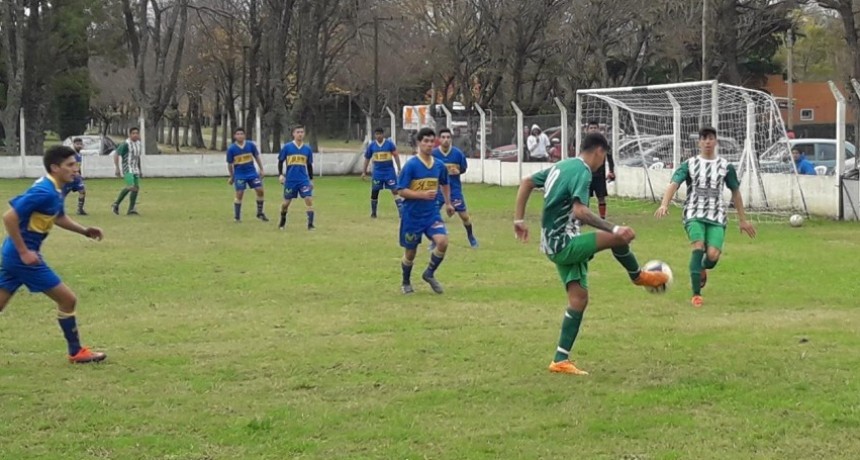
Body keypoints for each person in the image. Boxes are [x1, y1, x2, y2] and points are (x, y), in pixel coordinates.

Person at [514, 132, 669, 376]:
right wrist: (614, 227)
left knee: (579, 299)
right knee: (618, 238)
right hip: (564, 243)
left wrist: (519, 220)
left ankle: (560, 360)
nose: (602, 163)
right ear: (599, 151)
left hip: (553, 244)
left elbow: (526, 182)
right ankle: (639, 276)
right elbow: (580, 211)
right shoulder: (583, 171)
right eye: (604, 157)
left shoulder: (562, 165)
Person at [0, 145, 107, 363]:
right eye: (70, 165)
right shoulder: (44, 191)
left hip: (16, 256)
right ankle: (76, 352)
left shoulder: (56, 189)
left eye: (76, 164)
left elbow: (57, 217)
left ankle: (76, 351)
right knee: (68, 299)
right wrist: (24, 252)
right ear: (55, 167)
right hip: (23, 258)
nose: (75, 169)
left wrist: (84, 231)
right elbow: (9, 217)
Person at [655, 127, 757, 308]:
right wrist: (664, 204)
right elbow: (674, 184)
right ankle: (696, 294)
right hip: (694, 213)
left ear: (715, 141)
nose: (708, 142)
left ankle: (703, 266)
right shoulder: (690, 164)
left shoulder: (725, 166)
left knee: (712, 255)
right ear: (699, 142)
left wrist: (742, 220)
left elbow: (736, 192)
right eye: (704, 139)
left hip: (716, 215)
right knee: (698, 246)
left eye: (711, 138)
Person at [397, 127, 455, 295]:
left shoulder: (439, 165)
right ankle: (406, 281)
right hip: (412, 216)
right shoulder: (411, 166)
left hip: (431, 214)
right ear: (419, 143)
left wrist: (449, 203)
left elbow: (445, 183)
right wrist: (421, 194)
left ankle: (429, 273)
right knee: (410, 252)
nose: (429, 145)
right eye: (426, 141)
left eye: (432, 141)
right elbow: (401, 191)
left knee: (442, 242)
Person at [432, 128, 478, 248]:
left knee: (464, 216)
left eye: (448, 137)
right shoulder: (434, 154)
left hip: (455, 189)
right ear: (439, 139)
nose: (446, 140)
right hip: (438, 190)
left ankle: (471, 237)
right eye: (443, 137)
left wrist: (458, 171)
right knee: (433, 215)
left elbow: (463, 168)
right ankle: (434, 240)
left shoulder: (458, 154)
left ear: (451, 139)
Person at [226, 127, 269, 222]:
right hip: (240, 175)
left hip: (252, 173)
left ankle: (260, 213)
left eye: (242, 134)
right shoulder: (231, 149)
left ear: (244, 135)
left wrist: (261, 169)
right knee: (240, 193)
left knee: (260, 190)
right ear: (234, 136)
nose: (240, 136)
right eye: (238, 134)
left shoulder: (250, 145)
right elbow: (230, 164)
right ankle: (237, 217)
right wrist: (232, 176)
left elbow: (256, 157)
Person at [277, 125, 315, 230]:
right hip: (290, 180)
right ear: (293, 134)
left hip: (303, 180)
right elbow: (280, 161)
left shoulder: (307, 149)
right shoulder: (287, 147)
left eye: (302, 132)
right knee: (286, 203)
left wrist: (311, 180)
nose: (300, 134)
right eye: (298, 132)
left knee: (308, 199)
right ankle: (282, 221)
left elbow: (309, 165)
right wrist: (280, 174)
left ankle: (310, 225)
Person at [361, 128, 403, 218]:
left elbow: (396, 155)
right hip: (377, 173)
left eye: (380, 134)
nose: (378, 136)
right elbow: (367, 159)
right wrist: (364, 172)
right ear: (374, 135)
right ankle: (373, 213)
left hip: (389, 172)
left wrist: (399, 168)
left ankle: (401, 212)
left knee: (395, 190)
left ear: (383, 134)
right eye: (377, 134)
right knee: (375, 191)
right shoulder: (372, 145)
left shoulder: (389, 144)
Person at [585, 120, 615, 219]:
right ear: (587, 130)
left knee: (601, 197)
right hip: (586, 174)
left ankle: (602, 217)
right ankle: (585, 217)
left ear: (598, 129)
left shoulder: (603, 143)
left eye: (595, 128)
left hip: (600, 175)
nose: (593, 130)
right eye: (591, 128)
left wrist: (611, 170)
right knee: (585, 197)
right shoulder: (584, 143)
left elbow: (610, 157)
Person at [112, 127, 142, 215]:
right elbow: (116, 154)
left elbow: (137, 157)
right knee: (131, 186)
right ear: (129, 134)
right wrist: (117, 168)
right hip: (127, 168)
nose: (135, 135)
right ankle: (116, 203)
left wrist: (140, 168)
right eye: (133, 133)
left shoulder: (139, 144)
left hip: (135, 168)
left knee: (136, 188)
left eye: (137, 133)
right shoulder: (126, 144)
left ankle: (131, 209)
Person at [62, 137, 88, 215]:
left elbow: (78, 166)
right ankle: (55, 209)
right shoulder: (71, 154)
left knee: (82, 191)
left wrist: (80, 174)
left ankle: (80, 210)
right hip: (70, 177)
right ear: (73, 144)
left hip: (77, 178)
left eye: (80, 144)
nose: (79, 146)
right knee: (62, 194)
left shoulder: (79, 155)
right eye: (77, 144)